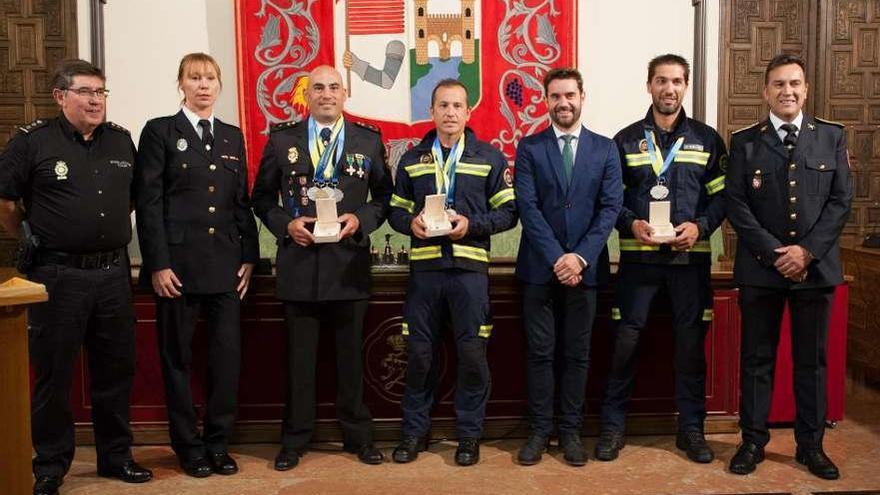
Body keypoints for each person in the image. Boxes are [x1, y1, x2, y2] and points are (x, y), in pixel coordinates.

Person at [0, 59, 152, 495]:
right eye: (86, 91)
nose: (95, 100)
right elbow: (7, 204)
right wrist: (40, 236)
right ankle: (50, 464)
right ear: (60, 96)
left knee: (115, 371)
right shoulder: (33, 142)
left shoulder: (121, 142)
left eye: (101, 92)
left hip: (111, 274)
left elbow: (130, 201)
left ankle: (116, 456)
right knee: (54, 375)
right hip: (56, 276)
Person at [251, 65, 392, 470]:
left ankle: (358, 438)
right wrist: (285, 224)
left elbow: (384, 197)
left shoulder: (367, 139)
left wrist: (360, 220)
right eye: (318, 88)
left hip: (348, 267)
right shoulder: (283, 141)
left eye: (333, 87)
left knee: (351, 361)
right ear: (306, 96)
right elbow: (261, 199)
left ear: (344, 93)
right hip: (300, 266)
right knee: (300, 362)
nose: (326, 94)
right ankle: (294, 440)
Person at [594, 54, 728, 464]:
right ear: (649, 85)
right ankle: (613, 428)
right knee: (625, 346)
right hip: (639, 265)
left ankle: (692, 431)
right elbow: (610, 201)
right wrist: (631, 225)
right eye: (661, 81)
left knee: (690, 350)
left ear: (685, 86)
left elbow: (722, 198)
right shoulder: (625, 140)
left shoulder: (708, 140)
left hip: (690, 265)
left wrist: (701, 227)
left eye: (676, 82)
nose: (669, 89)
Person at [725, 53, 852, 480]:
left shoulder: (831, 137)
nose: (787, 92)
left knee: (811, 361)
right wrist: (777, 254)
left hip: (815, 271)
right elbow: (736, 205)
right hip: (762, 269)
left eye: (795, 84)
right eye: (778, 84)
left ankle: (810, 445)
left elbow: (840, 202)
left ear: (806, 89)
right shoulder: (744, 141)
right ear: (765, 92)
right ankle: (752, 442)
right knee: (756, 359)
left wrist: (806, 253)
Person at [134, 52, 259, 478]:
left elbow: (239, 201)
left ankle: (218, 443)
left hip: (225, 266)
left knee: (227, 359)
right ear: (181, 84)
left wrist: (249, 256)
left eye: (210, 78)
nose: (203, 85)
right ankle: (188, 446)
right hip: (178, 269)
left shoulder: (231, 136)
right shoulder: (159, 132)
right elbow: (148, 203)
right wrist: (158, 263)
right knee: (178, 360)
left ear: (219, 85)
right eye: (194, 77)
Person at [388, 79, 518, 466]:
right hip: (425, 274)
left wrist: (471, 225)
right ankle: (414, 434)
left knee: (472, 355)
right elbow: (394, 210)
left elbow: (509, 212)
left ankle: (468, 437)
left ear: (468, 112)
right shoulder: (412, 158)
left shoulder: (490, 158)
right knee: (419, 356)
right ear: (432, 112)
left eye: (457, 105)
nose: (450, 112)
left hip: (469, 274)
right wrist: (409, 223)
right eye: (443, 105)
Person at [513, 67, 623, 466]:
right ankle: (541, 431)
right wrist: (558, 257)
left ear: (582, 97)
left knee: (578, 355)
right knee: (540, 354)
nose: (563, 103)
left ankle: (571, 431)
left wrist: (578, 257)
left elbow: (609, 208)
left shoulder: (605, 149)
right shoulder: (529, 148)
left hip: (587, 271)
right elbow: (528, 207)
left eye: (569, 96)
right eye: (555, 96)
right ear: (546, 100)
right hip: (539, 271)